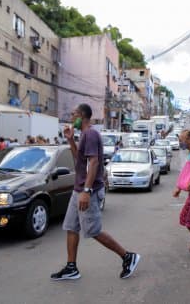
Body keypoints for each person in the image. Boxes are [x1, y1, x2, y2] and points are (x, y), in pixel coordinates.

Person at [51, 103, 140, 281]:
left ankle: (127, 257)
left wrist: (86, 190)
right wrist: (70, 140)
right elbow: (80, 160)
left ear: (82, 116)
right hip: (79, 189)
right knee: (70, 227)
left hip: (87, 190)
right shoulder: (83, 134)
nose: (71, 117)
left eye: (74, 114)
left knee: (93, 230)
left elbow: (94, 163)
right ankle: (71, 268)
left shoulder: (91, 134)